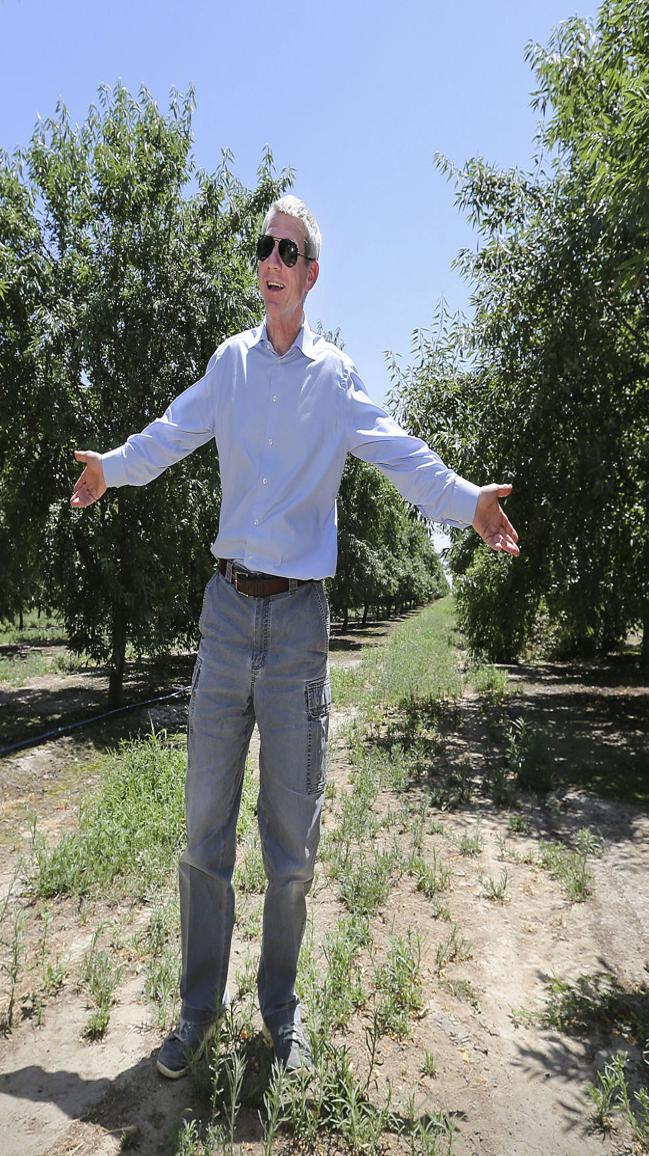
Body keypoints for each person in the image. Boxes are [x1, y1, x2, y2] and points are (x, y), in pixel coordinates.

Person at [70, 195, 519, 1079]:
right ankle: (198, 1009)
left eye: (289, 249)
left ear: (311, 274)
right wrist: (111, 471)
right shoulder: (230, 365)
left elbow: (399, 452)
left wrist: (466, 502)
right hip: (227, 616)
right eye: (264, 246)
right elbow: (172, 432)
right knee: (204, 830)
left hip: (301, 624)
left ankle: (281, 1007)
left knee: (290, 842)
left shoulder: (336, 378)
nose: (271, 259)